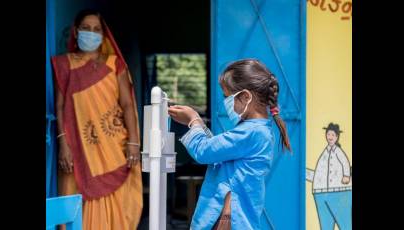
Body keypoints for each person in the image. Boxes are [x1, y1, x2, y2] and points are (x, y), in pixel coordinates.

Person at [168, 59, 292, 229]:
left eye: (228, 97)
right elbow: (219, 153)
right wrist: (200, 126)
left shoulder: (251, 132)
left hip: (227, 220)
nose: (226, 103)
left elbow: (204, 151)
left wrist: (193, 121)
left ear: (246, 97)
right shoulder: (256, 130)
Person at [52, 9, 142, 230]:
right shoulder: (64, 65)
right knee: (73, 197)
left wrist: (133, 142)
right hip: (78, 149)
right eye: (86, 29)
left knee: (119, 200)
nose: (91, 33)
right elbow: (60, 106)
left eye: (96, 29)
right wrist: (63, 143)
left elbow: (128, 105)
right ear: (76, 31)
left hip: (113, 145)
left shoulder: (114, 65)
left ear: (103, 35)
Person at [306, 123, 352, 230]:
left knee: (345, 224)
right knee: (326, 225)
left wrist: (346, 176)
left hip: (338, 191)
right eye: (328, 134)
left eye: (333, 135)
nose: (330, 137)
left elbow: (345, 162)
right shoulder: (325, 153)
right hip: (320, 192)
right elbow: (321, 173)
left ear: (337, 137)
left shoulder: (337, 151)